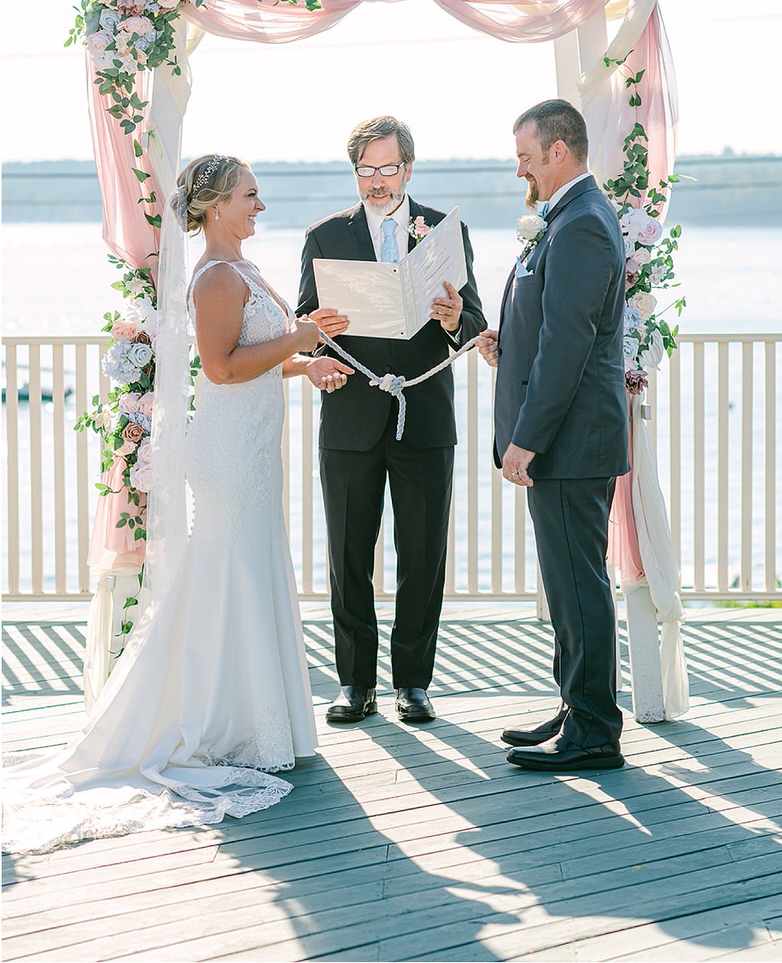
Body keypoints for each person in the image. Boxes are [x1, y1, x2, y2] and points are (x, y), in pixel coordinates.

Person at [3, 154, 345, 854]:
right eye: (251, 196)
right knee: (226, 572)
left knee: (247, 570)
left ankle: (254, 718)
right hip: (228, 454)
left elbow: (255, 354)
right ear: (216, 205)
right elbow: (220, 368)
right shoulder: (216, 277)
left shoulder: (244, 270)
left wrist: (304, 362)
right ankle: (214, 721)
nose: (261, 206)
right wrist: (301, 336)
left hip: (253, 446)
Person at [297, 115, 487, 725]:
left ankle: (414, 681)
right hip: (351, 414)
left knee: (423, 552)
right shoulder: (324, 236)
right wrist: (317, 339)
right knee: (347, 554)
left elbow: (475, 321)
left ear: (408, 168)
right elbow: (303, 324)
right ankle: (354, 683)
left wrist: (456, 318)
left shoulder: (444, 234)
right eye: (365, 170)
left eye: (387, 169)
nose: (376, 182)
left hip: (424, 415)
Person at [478, 100, 629, 772]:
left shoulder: (582, 226)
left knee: (579, 585)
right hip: (567, 440)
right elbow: (553, 324)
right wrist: (505, 342)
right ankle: (576, 706)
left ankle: (595, 731)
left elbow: (570, 345)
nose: (520, 170)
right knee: (568, 584)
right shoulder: (567, 219)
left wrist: (527, 439)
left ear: (559, 152)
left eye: (527, 157)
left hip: (568, 442)